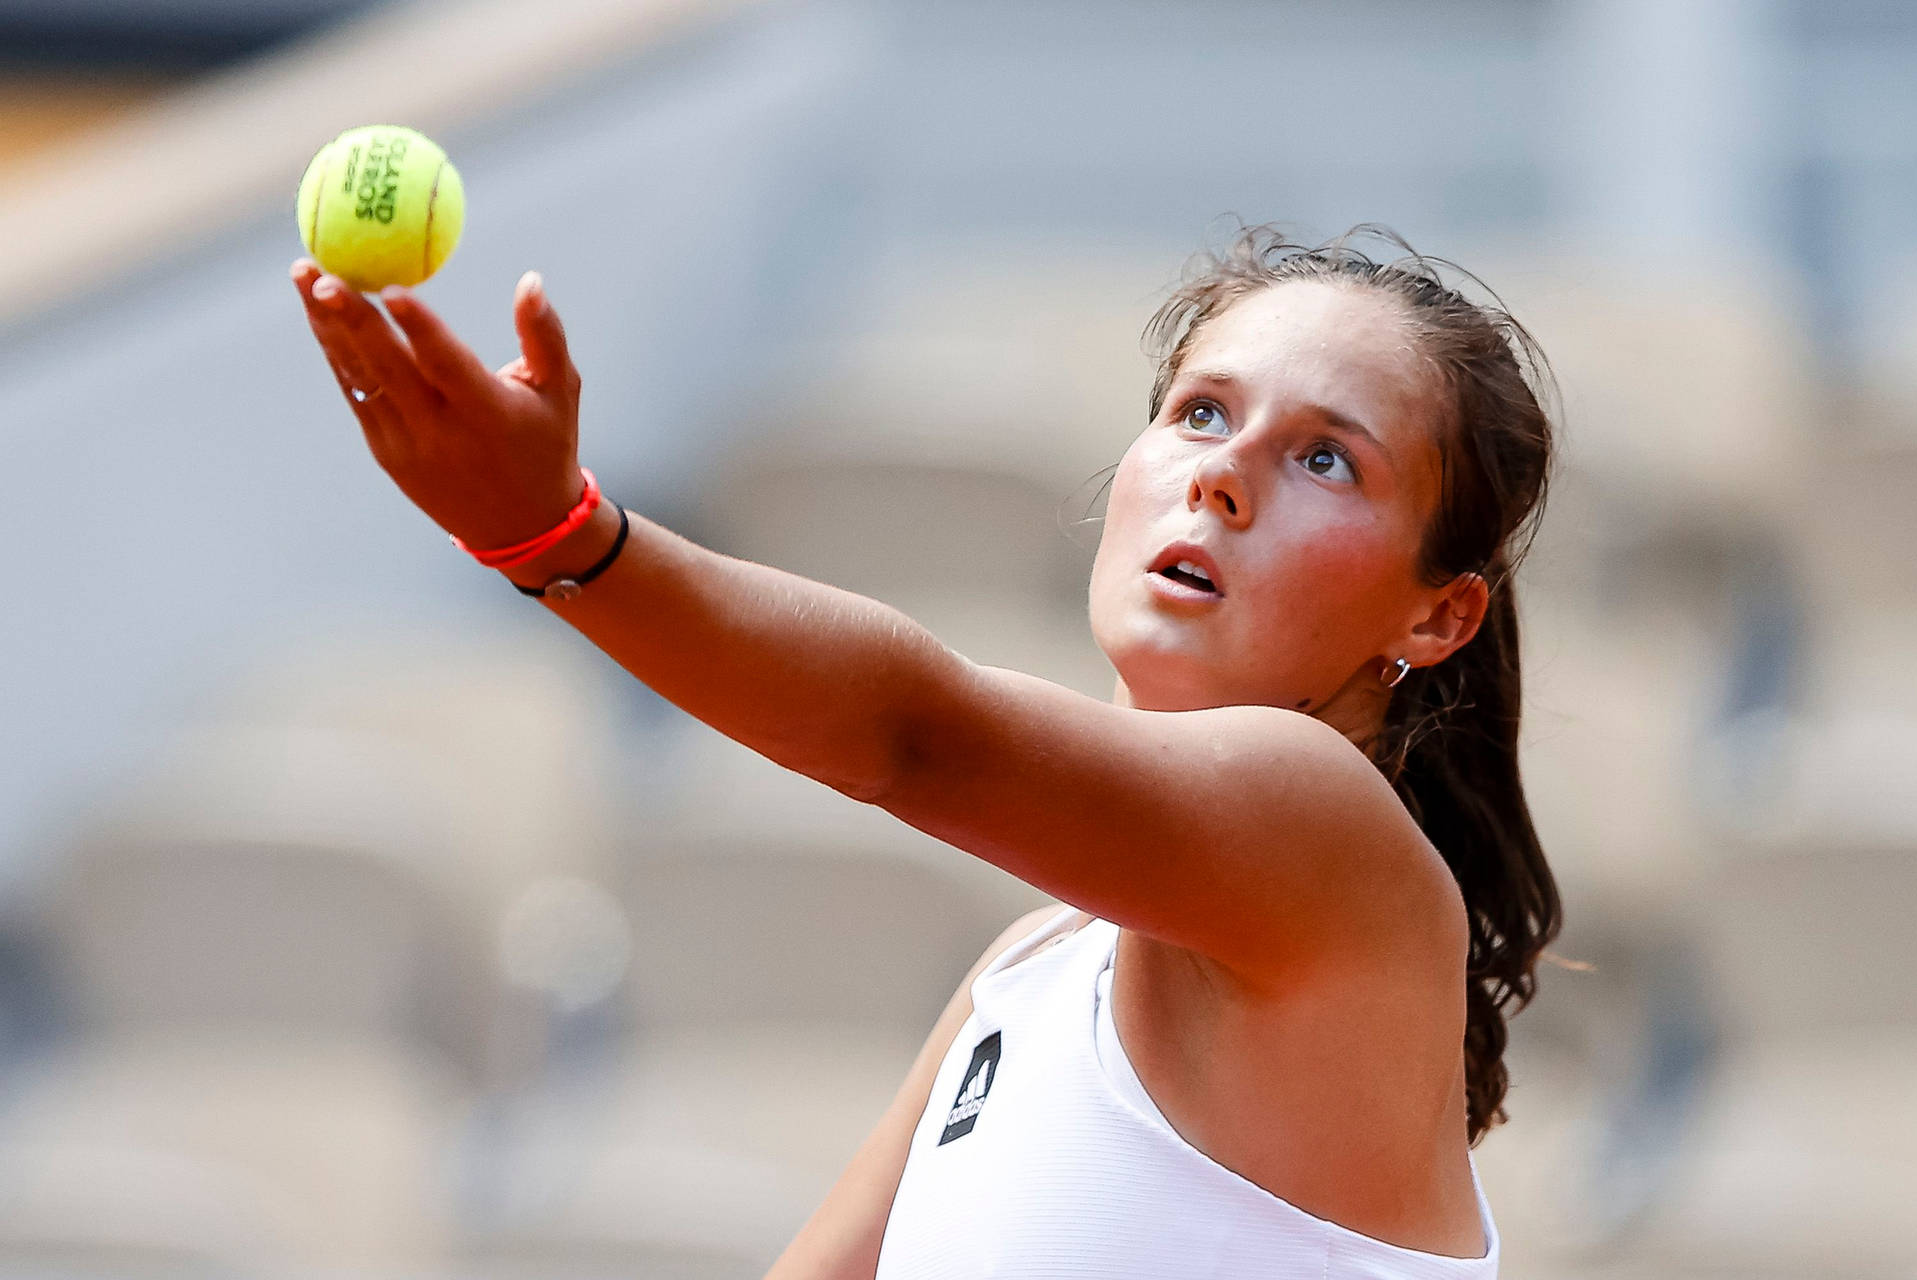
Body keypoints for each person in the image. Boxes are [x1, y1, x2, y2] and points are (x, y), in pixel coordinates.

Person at [290, 221, 1562, 1278]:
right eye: (1200, 411)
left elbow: (916, 735)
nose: (1223, 474)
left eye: (1325, 457)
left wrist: (562, 537)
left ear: (1436, 610)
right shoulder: (1032, 966)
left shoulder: (1324, 826)